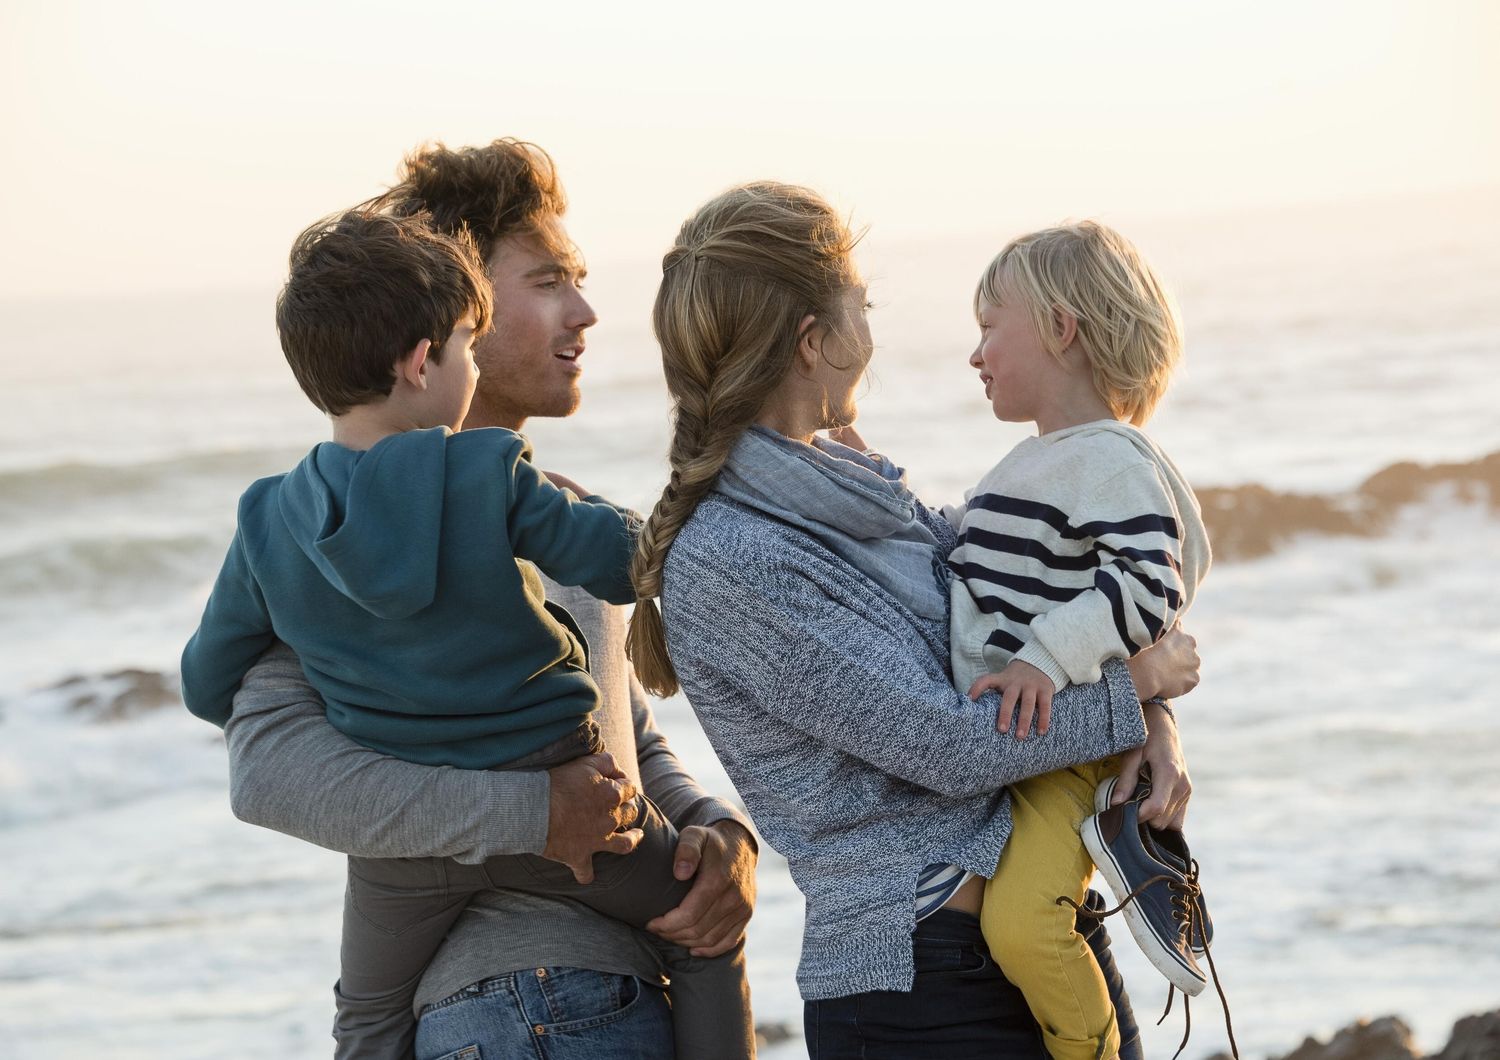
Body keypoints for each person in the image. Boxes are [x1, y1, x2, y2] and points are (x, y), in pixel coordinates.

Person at [624, 182, 1200, 1058]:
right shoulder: (733, 558)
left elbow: (1015, 614)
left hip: (1034, 923)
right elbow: (946, 744)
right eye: (863, 299)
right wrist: (1133, 694)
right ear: (816, 341)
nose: (875, 321)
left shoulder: (847, 490)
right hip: (916, 983)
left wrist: (1151, 721)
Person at [215, 140, 758, 1060]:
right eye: (548, 281)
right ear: (449, 308)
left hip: (628, 994)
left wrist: (713, 836)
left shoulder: (569, 513)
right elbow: (268, 769)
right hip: (522, 1007)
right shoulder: (328, 543)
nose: (585, 310)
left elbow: (625, 735)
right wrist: (533, 816)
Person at [947, 222, 1213, 1060]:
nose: (975, 352)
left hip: (1066, 756)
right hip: (1028, 747)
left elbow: (1150, 586)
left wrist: (1044, 659)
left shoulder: (1108, 458)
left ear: (1062, 328)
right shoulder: (1042, 463)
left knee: (1023, 928)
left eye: (991, 325)